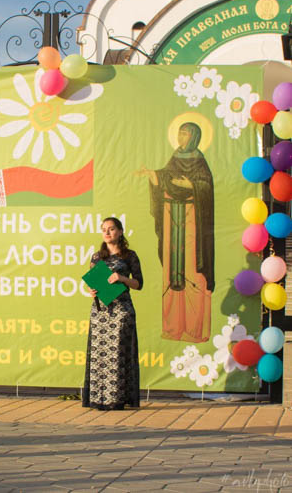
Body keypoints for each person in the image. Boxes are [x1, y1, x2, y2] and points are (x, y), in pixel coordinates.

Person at [134, 121, 214, 343]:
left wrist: (192, 187)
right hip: (171, 218)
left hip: (191, 222)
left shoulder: (200, 161)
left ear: (195, 137)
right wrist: (152, 175)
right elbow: (166, 178)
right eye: (179, 134)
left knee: (191, 271)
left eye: (185, 134)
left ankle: (195, 330)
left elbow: (206, 187)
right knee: (171, 270)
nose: (181, 138)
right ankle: (173, 328)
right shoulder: (175, 156)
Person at [83, 217, 143, 411]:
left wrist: (122, 278)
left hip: (121, 311)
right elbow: (91, 283)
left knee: (117, 354)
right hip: (100, 311)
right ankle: (99, 398)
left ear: (120, 231)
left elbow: (139, 284)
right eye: (104, 229)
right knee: (100, 354)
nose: (107, 233)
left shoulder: (129, 256)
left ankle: (116, 399)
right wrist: (90, 291)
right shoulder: (97, 257)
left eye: (111, 229)